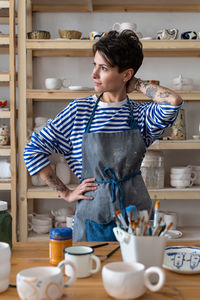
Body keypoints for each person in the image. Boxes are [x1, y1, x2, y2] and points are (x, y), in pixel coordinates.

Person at [24, 30, 183, 241]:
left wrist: (136, 84)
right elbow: (33, 149)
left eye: (104, 68)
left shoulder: (140, 115)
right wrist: (65, 192)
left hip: (136, 216)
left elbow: (173, 101)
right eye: (94, 65)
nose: (94, 74)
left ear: (126, 74)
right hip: (94, 214)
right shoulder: (79, 111)